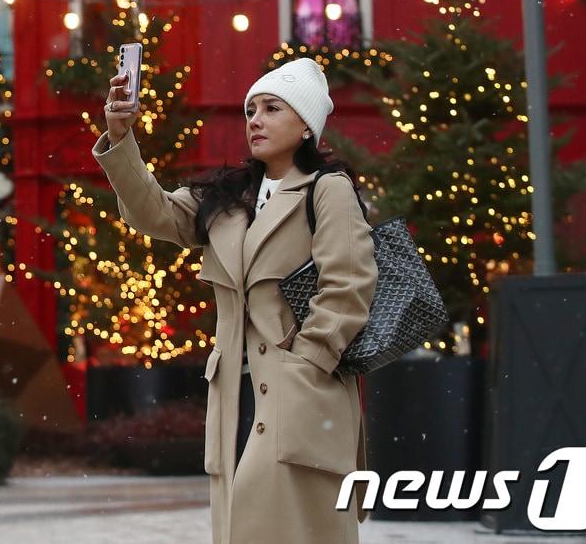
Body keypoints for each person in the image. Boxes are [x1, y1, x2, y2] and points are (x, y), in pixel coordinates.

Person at [95, 57, 377, 544]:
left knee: (288, 529)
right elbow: (153, 211)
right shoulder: (226, 198)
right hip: (235, 396)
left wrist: (304, 365)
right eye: (251, 110)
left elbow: (349, 287)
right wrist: (122, 138)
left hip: (301, 393)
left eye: (272, 108)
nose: (256, 119)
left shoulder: (326, 190)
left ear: (306, 125)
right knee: (245, 526)